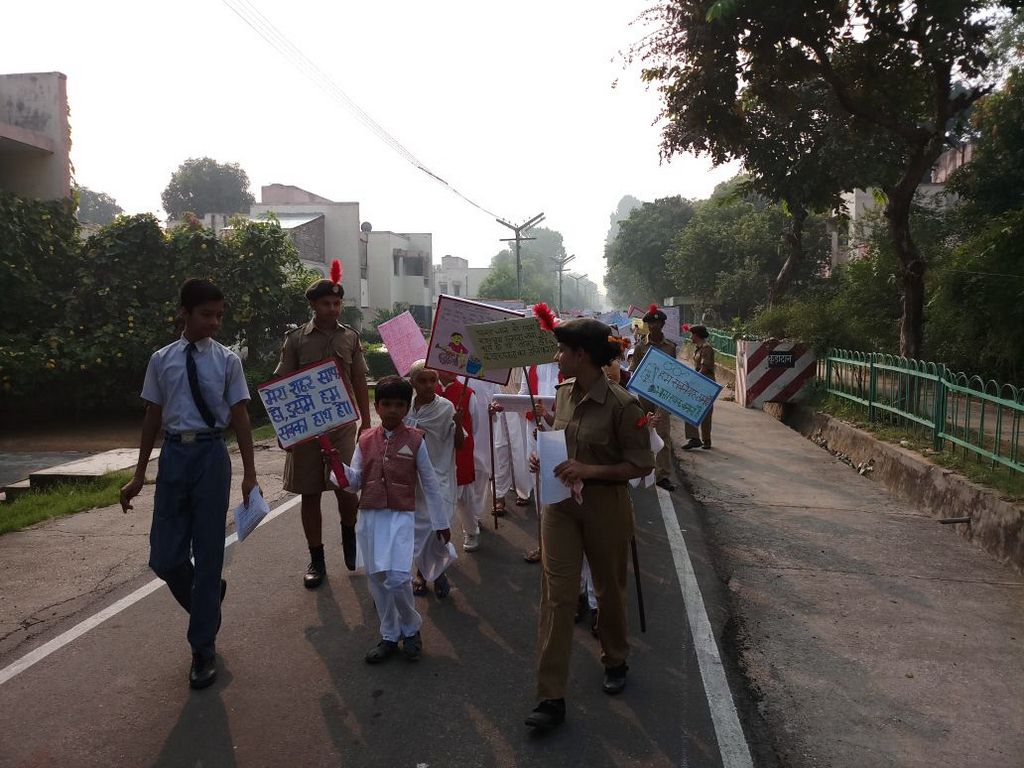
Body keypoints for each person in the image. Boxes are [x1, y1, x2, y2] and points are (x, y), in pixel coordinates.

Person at [120, 278, 258, 690]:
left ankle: (203, 648)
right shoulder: (161, 360)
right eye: (206, 314)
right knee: (164, 558)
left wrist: (250, 475)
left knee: (209, 551)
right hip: (174, 457)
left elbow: (241, 418)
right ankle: (208, 596)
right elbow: (152, 417)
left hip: (212, 456)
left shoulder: (227, 361)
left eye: (219, 315)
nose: (214, 323)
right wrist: (139, 473)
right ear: (184, 312)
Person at [524, 318, 654, 730]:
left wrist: (589, 470)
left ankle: (615, 658)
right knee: (557, 596)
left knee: (608, 590)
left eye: (562, 350)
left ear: (581, 355)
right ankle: (550, 696)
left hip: (605, 507)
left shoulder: (623, 405)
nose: (557, 357)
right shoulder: (563, 393)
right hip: (560, 506)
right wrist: (544, 455)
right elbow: (561, 440)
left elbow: (641, 465)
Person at [338, 376, 449, 663]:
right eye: (386, 404)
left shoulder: (416, 439)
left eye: (399, 405)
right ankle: (389, 634)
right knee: (377, 579)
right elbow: (353, 483)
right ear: (376, 406)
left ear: (406, 407)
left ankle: (411, 629)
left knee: (398, 578)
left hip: (401, 516)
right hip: (371, 516)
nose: (392, 410)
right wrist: (335, 465)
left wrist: (441, 522)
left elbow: (430, 483)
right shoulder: (365, 440)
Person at [274, 261, 372, 589]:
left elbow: (359, 380)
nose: (333, 308)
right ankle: (316, 559)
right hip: (306, 428)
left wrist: (366, 422)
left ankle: (350, 537)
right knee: (310, 493)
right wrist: (283, 428)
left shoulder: (350, 337)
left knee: (346, 489)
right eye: (326, 303)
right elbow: (282, 386)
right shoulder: (295, 340)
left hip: (342, 426)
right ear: (314, 306)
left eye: (337, 303)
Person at [405, 360, 464, 598]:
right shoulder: (405, 408)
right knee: (419, 530)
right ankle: (424, 573)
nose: (429, 385)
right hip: (412, 479)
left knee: (437, 527)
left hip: (439, 475)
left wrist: (459, 424)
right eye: (423, 380)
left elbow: (460, 444)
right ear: (412, 383)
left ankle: (437, 572)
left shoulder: (447, 407)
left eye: (433, 380)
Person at [437, 371, 490, 552]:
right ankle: (440, 536)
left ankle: (471, 531)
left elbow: (475, 426)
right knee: (439, 497)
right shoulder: (430, 391)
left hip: (461, 451)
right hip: (437, 453)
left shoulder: (467, 393)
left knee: (465, 497)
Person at [630, 304, 678, 491]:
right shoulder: (640, 347)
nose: (653, 326)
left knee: (663, 433)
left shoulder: (670, 347)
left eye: (656, 323)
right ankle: (642, 468)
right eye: (650, 323)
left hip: (663, 397)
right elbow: (634, 370)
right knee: (643, 431)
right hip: (644, 395)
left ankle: (662, 475)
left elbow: (675, 372)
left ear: (663, 324)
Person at [682, 325, 716, 450]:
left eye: (692, 334)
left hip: (706, 383)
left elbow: (704, 368)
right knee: (689, 408)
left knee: (705, 411)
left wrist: (692, 380)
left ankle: (706, 439)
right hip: (699, 381)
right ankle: (694, 438)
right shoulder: (698, 348)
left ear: (696, 335)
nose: (691, 337)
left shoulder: (707, 349)